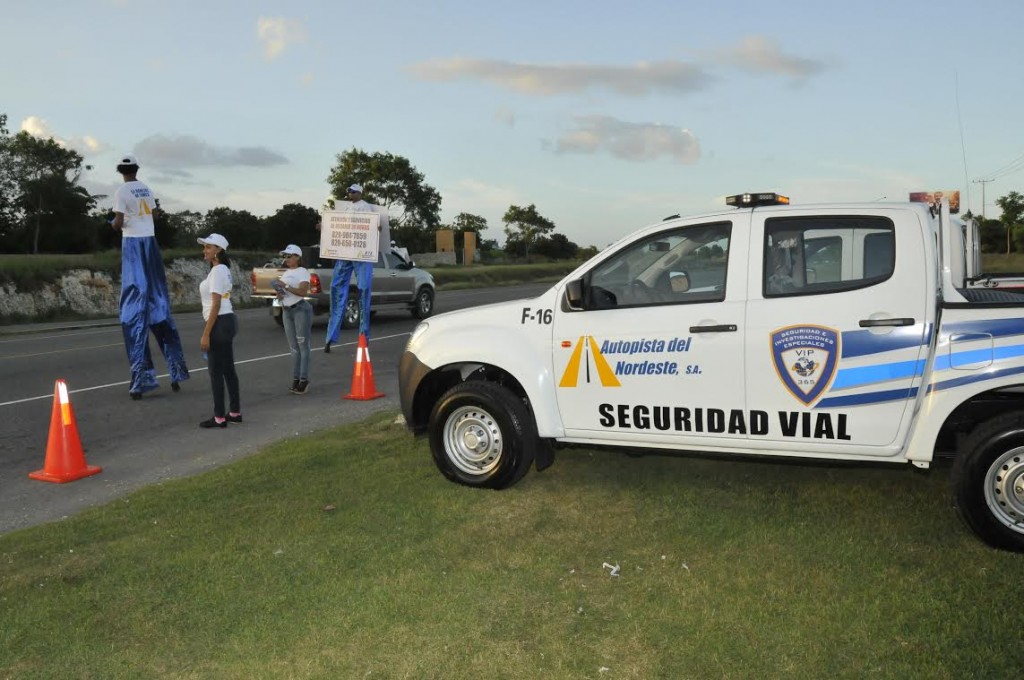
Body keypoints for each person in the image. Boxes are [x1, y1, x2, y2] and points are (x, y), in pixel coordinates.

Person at [111, 154, 189, 399]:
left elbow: (119, 222)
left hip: (133, 245)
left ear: (121, 171)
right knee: (159, 305)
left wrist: (113, 223)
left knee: (133, 313)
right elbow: (155, 216)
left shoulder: (122, 191)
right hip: (151, 246)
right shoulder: (146, 188)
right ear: (136, 169)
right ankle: (175, 371)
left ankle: (141, 379)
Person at [323, 183, 389, 352]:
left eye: (352, 191)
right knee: (336, 288)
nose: (350, 194)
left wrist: (377, 229)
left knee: (364, 289)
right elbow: (340, 227)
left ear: (359, 192)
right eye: (349, 191)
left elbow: (371, 227)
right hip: (346, 253)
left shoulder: (365, 207)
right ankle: (330, 337)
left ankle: (363, 336)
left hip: (361, 254)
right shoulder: (345, 209)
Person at [197, 234, 242, 428]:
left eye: (208, 247)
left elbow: (215, 305)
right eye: (204, 247)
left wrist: (206, 334)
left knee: (216, 371)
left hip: (219, 322)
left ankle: (219, 417)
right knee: (228, 370)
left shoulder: (218, 271)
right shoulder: (221, 270)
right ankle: (234, 412)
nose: (204, 250)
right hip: (226, 321)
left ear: (219, 250)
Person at [275, 244, 312, 394]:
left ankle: (303, 379)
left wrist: (286, 286)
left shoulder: (302, 272)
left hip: (300, 309)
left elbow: (303, 291)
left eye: (289, 256)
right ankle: (296, 378)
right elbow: (285, 291)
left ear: (297, 257)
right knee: (293, 348)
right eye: (285, 256)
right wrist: (279, 292)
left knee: (303, 346)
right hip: (287, 310)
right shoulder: (286, 273)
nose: (286, 259)